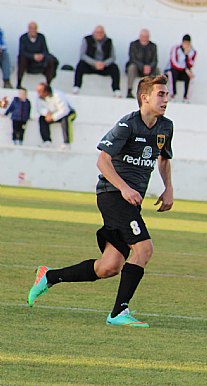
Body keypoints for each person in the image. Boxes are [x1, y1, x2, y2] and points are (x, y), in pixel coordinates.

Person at [27, 75, 174, 328]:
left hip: (129, 201)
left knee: (109, 267)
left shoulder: (165, 127)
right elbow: (102, 161)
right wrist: (125, 188)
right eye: (160, 94)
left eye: (166, 94)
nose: (165, 99)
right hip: (113, 195)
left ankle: (49, 276)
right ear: (145, 97)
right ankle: (119, 312)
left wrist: (168, 188)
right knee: (144, 249)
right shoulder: (127, 125)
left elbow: (163, 158)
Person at [73, 25, 121, 97]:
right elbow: (82, 55)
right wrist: (94, 63)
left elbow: (112, 57)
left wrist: (104, 64)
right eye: (97, 32)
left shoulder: (109, 41)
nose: (99, 34)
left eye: (101, 32)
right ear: (93, 33)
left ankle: (116, 90)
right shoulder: (86, 39)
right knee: (80, 65)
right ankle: (76, 87)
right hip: (90, 65)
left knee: (114, 68)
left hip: (104, 66)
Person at [17, 22, 58, 89]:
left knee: (51, 60)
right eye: (31, 28)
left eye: (35, 28)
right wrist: (33, 56)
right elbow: (22, 52)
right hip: (28, 60)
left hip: (40, 60)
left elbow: (45, 50)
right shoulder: (23, 37)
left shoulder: (41, 37)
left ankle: (48, 85)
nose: (33, 30)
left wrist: (41, 55)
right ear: (28, 29)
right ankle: (19, 84)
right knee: (22, 58)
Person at [35, 83, 76, 149]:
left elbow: (65, 110)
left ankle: (67, 143)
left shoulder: (58, 95)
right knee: (41, 119)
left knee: (66, 119)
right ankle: (47, 141)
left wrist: (53, 117)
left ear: (46, 92)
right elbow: (39, 108)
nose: (38, 93)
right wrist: (46, 113)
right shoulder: (40, 97)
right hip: (51, 114)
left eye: (40, 91)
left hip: (67, 113)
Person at [126, 29, 159, 99]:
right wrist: (142, 67)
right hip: (137, 68)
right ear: (140, 36)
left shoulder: (153, 46)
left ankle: (157, 92)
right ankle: (129, 90)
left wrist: (149, 67)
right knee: (131, 67)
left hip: (149, 70)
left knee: (158, 70)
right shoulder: (133, 45)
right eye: (143, 36)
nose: (144, 38)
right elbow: (132, 58)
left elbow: (155, 60)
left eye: (146, 37)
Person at [166, 34, 196, 103]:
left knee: (189, 76)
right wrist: (185, 69)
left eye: (187, 44)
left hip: (184, 72)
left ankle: (186, 97)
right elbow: (173, 63)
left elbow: (191, 65)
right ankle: (172, 95)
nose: (186, 45)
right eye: (184, 43)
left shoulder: (192, 52)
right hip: (173, 69)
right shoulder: (175, 49)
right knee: (173, 73)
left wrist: (187, 54)